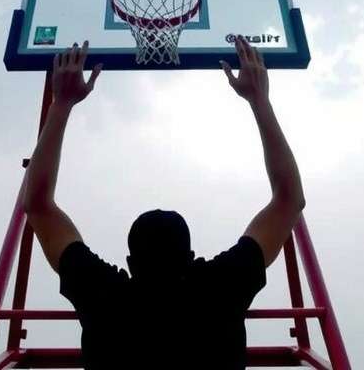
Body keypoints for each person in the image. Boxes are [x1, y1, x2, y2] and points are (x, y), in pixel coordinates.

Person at [22, 36, 306, 370]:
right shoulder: (219, 290)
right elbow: (289, 199)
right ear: (190, 257)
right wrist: (259, 99)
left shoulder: (105, 297)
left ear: (130, 262)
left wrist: (61, 104)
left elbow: (38, 204)